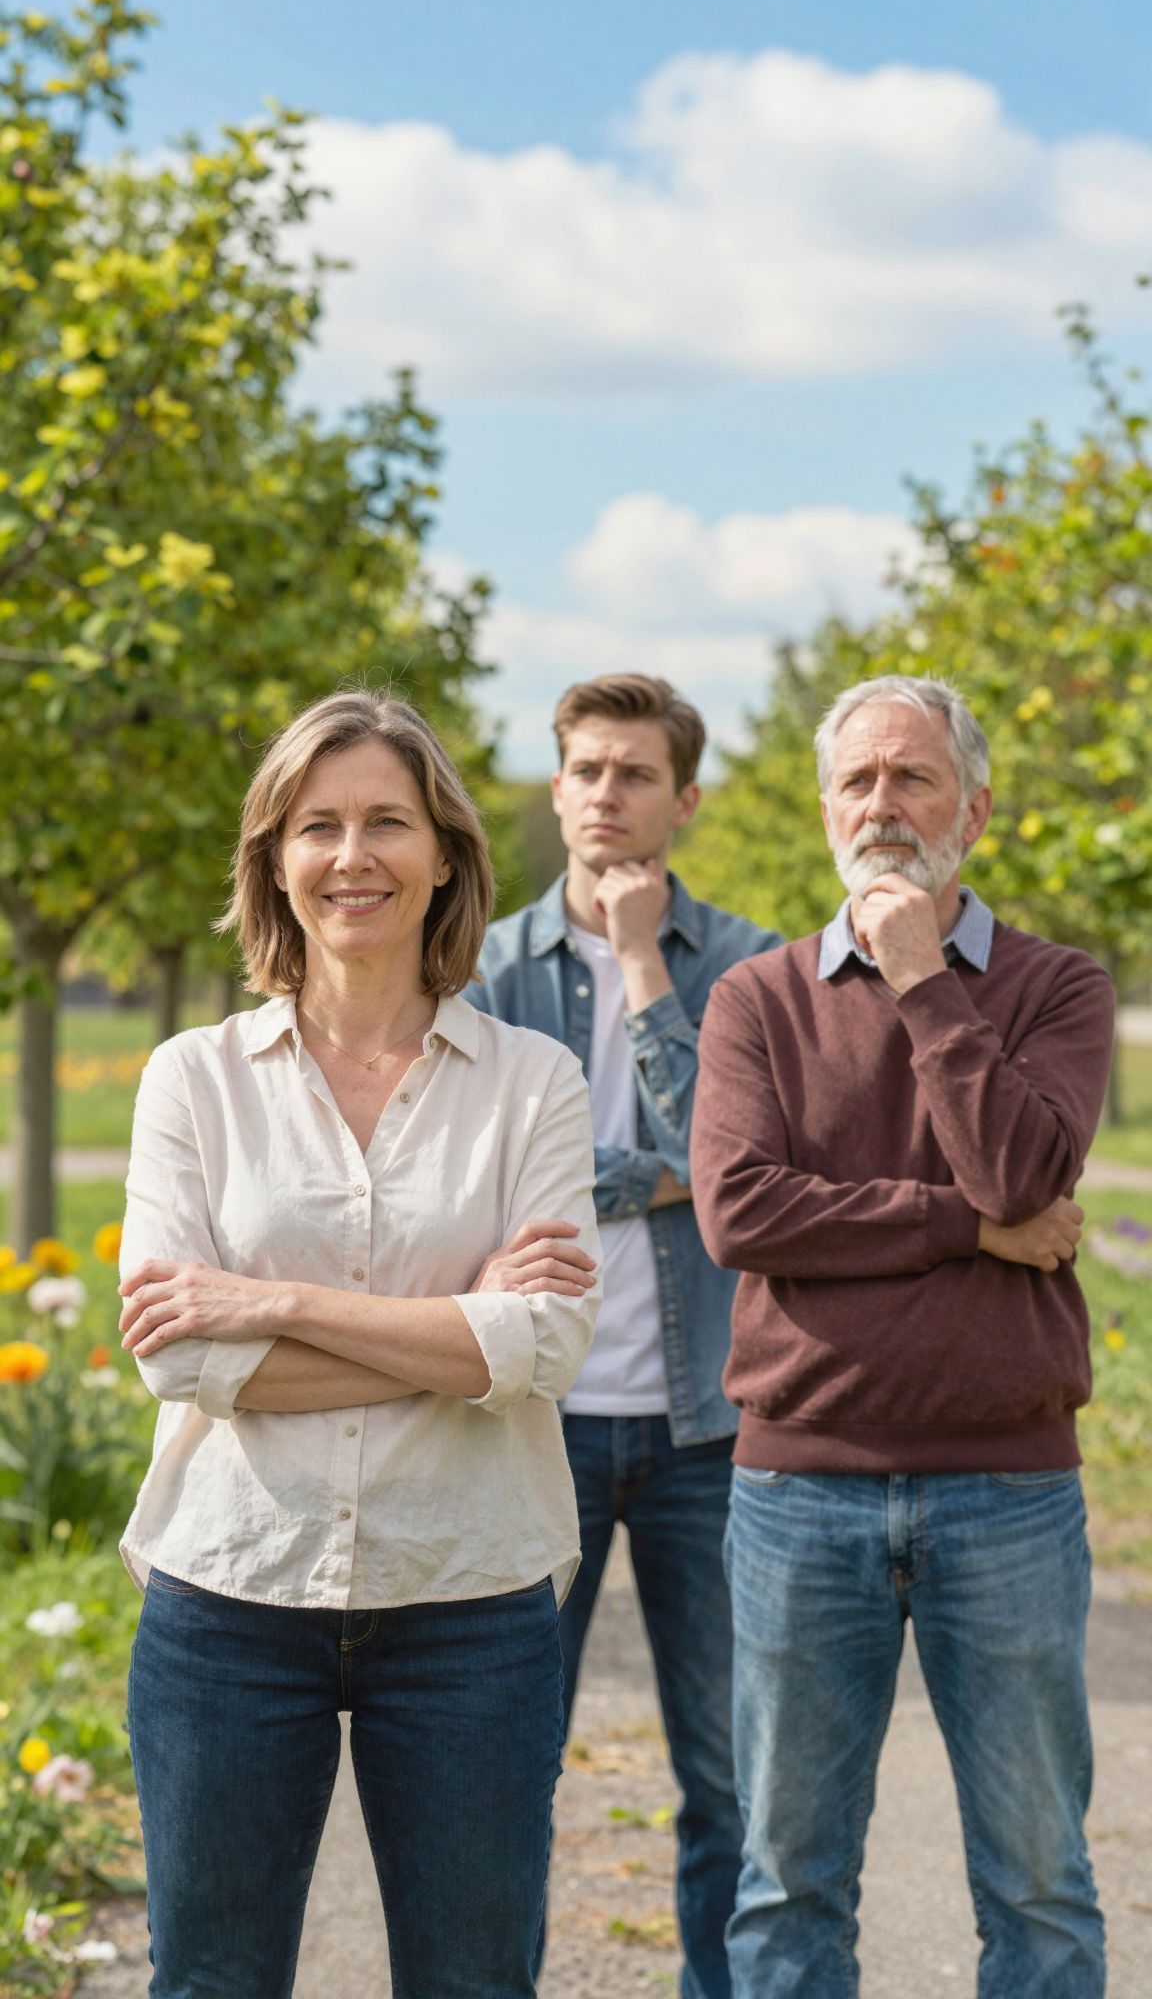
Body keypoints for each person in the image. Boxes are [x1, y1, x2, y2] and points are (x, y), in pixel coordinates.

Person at [116, 689, 603, 1999]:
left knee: (473, 1981)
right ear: (275, 858)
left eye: (388, 820)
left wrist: (267, 1302)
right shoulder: (191, 1080)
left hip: (469, 1602)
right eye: (318, 825)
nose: (353, 856)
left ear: (445, 850)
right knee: (211, 1981)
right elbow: (180, 1362)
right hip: (231, 1593)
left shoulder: (533, 1083)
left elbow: (545, 1344)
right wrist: (457, 1331)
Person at [691, 674, 1115, 1999]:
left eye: (912, 779)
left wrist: (925, 973)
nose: (881, 804)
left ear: (973, 813)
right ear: (824, 809)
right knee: (787, 1883)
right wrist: (969, 1230)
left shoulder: (1056, 988)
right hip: (797, 1491)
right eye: (857, 782)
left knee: (1039, 1883)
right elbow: (744, 1213)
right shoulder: (757, 1000)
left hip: (1011, 1492)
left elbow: (1023, 1169)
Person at [467, 672, 783, 1999]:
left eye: (636, 773)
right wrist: (653, 1172)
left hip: (710, 1427)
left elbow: (750, 1162)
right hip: (526, 1425)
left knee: (730, 1775)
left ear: (685, 798)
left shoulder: (756, 964)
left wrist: (647, 962)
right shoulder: (478, 966)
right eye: (587, 770)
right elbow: (474, 1175)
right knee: (501, 1764)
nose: (608, 794)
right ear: (556, 788)